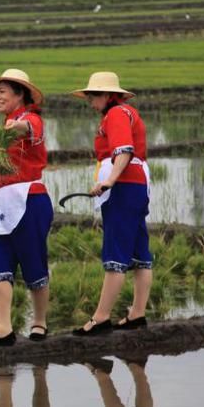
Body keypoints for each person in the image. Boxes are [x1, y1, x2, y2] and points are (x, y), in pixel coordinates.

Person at [0, 69, 53, 345]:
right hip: (2, 203)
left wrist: (14, 128)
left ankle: (39, 322)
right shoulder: (2, 129)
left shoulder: (30, 119)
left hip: (29, 200)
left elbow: (28, 129)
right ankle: (3, 327)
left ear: (20, 94)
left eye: (2, 91)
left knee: (33, 261)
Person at [71, 72, 153, 335]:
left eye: (94, 96)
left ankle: (101, 317)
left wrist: (109, 181)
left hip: (124, 185)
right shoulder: (127, 112)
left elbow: (124, 150)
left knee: (115, 251)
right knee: (140, 252)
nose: (91, 102)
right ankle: (137, 314)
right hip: (137, 185)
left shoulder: (116, 114)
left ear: (108, 96)